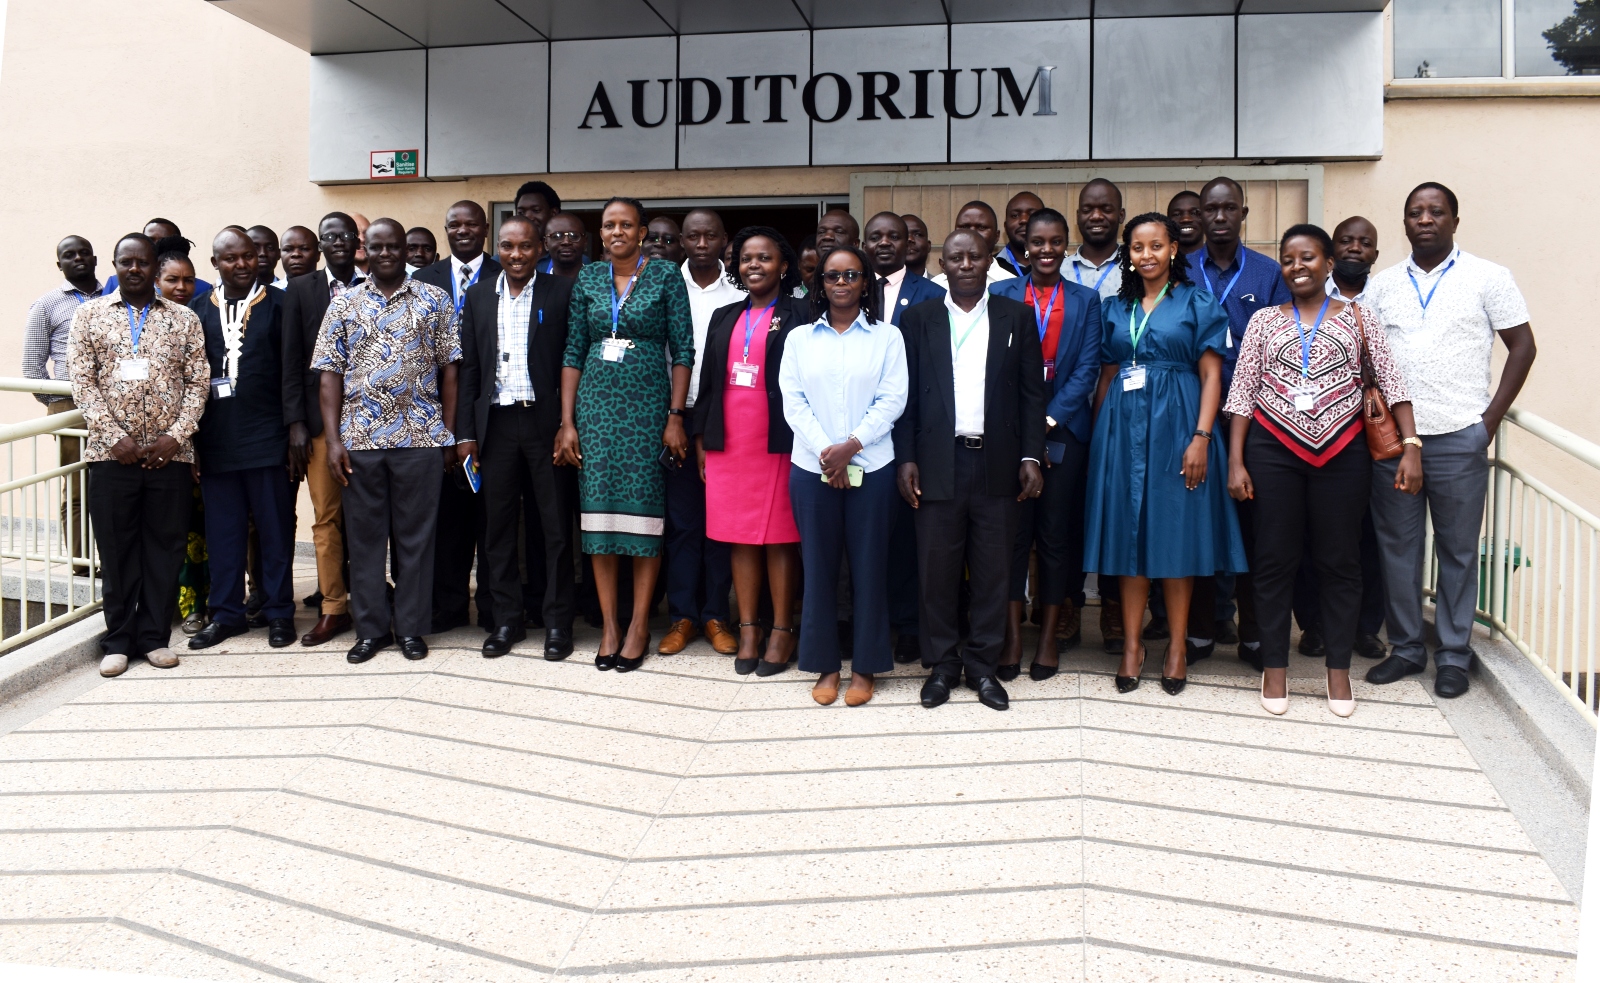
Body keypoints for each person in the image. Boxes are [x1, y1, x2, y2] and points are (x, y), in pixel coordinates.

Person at [1225, 224, 1419, 717]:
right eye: (1288, 259)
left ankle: (1338, 672)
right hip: (1273, 452)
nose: (1297, 266)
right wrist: (1236, 461)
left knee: (1340, 562)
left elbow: (1392, 382)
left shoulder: (1359, 317)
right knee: (1274, 560)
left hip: (1343, 454)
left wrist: (1411, 445)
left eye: (1308, 257)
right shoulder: (1265, 321)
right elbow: (1243, 395)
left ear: (1328, 263)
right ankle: (1274, 669)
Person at [1363, 182, 1537, 699]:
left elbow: (1523, 347)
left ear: (1455, 222)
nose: (1425, 219)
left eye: (1436, 211)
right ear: (1405, 223)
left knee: (1458, 551)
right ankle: (1408, 649)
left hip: (1461, 436)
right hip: (1396, 442)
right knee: (1398, 549)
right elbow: (1369, 357)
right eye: (1415, 212)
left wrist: (1489, 421)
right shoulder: (1383, 285)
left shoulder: (1489, 277)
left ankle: (1454, 657)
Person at [1084, 213, 1247, 695]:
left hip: (1179, 425)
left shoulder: (1197, 302)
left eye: (1156, 245)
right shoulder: (1113, 308)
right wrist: (1100, 442)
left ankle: (1176, 646)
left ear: (1173, 249)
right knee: (1129, 541)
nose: (1147, 255)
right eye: (1137, 247)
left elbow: (1213, 375)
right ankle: (1133, 647)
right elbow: (1109, 376)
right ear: (1127, 255)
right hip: (1121, 429)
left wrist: (1202, 437)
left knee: (1175, 538)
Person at [898, 230, 1044, 712]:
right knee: (935, 570)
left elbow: (1030, 394)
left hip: (998, 461)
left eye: (974, 256)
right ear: (944, 263)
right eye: (956, 257)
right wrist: (906, 459)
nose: (965, 264)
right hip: (938, 460)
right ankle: (941, 665)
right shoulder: (918, 319)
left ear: (988, 262)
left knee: (993, 570)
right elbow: (905, 397)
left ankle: (982, 667)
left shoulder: (1016, 317)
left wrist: (1030, 456)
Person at [556, 197, 694, 673]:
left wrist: (675, 415)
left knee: (644, 519)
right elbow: (573, 350)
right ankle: (610, 626)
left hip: (647, 410)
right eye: (609, 224)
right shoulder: (590, 279)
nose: (617, 232)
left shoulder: (664, 276)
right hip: (595, 413)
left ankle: (638, 624)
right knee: (598, 522)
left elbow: (683, 350)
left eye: (627, 224)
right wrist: (567, 422)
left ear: (641, 232)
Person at [313, 218, 460, 664]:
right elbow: (328, 377)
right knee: (365, 540)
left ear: (405, 250)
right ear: (365, 251)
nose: (386, 254)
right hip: (361, 440)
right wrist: (335, 441)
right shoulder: (343, 305)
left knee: (417, 539)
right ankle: (371, 629)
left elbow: (450, 368)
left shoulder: (434, 299)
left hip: (420, 437)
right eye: (376, 247)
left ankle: (412, 629)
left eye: (393, 246)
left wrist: (448, 433)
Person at [69, 233, 208, 677]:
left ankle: (154, 638)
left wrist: (175, 436)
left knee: (165, 549)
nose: (134, 269)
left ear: (154, 266)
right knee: (117, 549)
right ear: (114, 265)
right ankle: (118, 641)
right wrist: (113, 436)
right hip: (113, 457)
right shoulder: (88, 316)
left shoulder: (183, 319)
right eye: (125, 262)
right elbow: (82, 382)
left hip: (170, 456)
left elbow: (199, 382)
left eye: (142, 262)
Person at [782, 245, 906, 706]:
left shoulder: (887, 337)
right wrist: (826, 454)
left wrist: (851, 446)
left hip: (872, 467)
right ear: (820, 284)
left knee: (869, 568)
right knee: (818, 569)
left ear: (864, 283)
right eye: (832, 275)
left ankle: (866, 667)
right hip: (810, 469)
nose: (841, 282)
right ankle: (826, 666)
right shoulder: (798, 340)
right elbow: (793, 402)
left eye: (851, 275)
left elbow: (893, 400)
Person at [454, 215, 576, 659]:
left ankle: (558, 623)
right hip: (497, 425)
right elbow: (470, 369)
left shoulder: (562, 292)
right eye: (507, 247)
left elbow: (571, 358)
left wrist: (568, 423)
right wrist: (465, 435)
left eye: (525, 247)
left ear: (539, 248)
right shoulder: (478, 296)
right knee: (498, 527)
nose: (517, 255)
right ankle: (506, 621)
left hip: (547, 426)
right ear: (496, 248)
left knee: (556, 527)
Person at [1183, 176, 1292, 668]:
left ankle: (1254, 636)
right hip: (1193, 419)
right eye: (1211, 209)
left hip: (1257, 419)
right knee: (1199, 524)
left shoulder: (1269, 274)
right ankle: (1202, 630)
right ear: (1199, 216)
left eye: (1230, 208)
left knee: (1257, 530)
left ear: (1243, 214)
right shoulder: (1179, 270)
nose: (1220, 216)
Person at [990, 208, 1103, 679]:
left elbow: (1087, 370)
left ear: (1066, 243)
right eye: (1038, 241)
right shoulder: (1001, 294)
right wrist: (1025, 426)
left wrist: (1049, 419)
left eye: (1056, 241)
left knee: (1056, 537)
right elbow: (993, 366)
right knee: (1013, 539)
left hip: (1064, 434)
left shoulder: (1085, 299)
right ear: (1024, 244)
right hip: (1010, 436)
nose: (1046, 250)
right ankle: (1014, 637)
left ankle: (1051, 636)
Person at [694, 227, 809, 675]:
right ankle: (748, 629)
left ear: (783, 264)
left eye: (764, 258)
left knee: (780, 536)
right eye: (746, 259)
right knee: (739, 537)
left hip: (780, 440)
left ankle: (782, 629)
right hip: (730, 442)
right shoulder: (724, 315)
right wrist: (703, 440)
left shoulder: (801, 313)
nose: (754, 265)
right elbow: (708, 383)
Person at [184, 229, 297, 650]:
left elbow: (295, 373)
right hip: (216, 441)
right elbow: (190, 380)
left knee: (275, 531)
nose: (241, 264)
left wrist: (294, 432)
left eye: (248, 256)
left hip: (269, 438)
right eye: (230, 258)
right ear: (215, 264)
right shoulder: (196, 311)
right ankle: (227, 614)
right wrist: (192, 442)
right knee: (223, 534)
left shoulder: (281, 305)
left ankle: (279, 612)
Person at [1292, 215, 1388, 661]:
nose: (1355, 249)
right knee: (1312, 538)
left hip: (1364, 434)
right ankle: (1313, 626)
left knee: (1364, 538)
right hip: (1305, 438)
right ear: (1330, 256)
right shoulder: (1304, 294)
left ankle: (1363, 629)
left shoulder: (1386, 298)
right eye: (1346, 241)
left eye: (1364, 243)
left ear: (1374, 252)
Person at [412, 200, 502, 633]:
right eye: (454, 225)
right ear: (445, 231)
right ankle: (447, 607)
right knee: (448, 520)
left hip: (493, 412)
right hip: (438, 413)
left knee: (492, 519)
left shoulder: (507, 273)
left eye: (471, 224)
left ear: (485, 228)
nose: (463, 231)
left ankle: (491, 607)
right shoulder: (423, 278)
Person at [861, 210, 945, 663]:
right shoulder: (847, 287)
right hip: (858, 434)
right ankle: (867, 621)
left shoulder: (932, 294)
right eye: (877, 236)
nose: (886, 243)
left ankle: (911, 625)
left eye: (896, 236)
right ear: (865, 242)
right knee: (866, 534)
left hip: (914, 429)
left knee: (911, 535)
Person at [657, 209, 740, 656]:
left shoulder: (741, 290)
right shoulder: (663, 284)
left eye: (711, 235)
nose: (702, 243)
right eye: (694, 236)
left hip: (728, 420)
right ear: (682, 241)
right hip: (676, 418)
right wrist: (674, 417)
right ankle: (682, 616)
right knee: (683, 522)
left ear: (724, 240)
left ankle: (716, 615)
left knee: (721, 524)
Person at [281, 212, 366, 647]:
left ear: (357, 243)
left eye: (345, 235)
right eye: (328, 236)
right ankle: (334, 607)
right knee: (326, 519)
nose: (337, 242)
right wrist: (296, 423)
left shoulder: (376, 286)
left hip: (373, 422)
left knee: (371, 517)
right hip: (318, 426)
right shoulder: (301, 290)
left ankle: (370, 600)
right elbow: (291, 361)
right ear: (320, 245)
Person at [24, 235, 101, 569]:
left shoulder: (114, 296)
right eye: (70, 255)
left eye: (84, 253)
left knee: (111, 486)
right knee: (76, 488)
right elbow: (32, 367)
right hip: (70, 408)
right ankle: (81, 564)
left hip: (115, 406)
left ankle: (112, 560)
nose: (78, 258)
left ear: (95, 259)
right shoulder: (47, 305)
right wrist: (58, 404)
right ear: (60, 265)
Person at [150, 249, 208, 635]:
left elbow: (202, 385)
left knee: (199, 533)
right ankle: (166, 603)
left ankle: (197, 606)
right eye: (173, 280)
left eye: (188, 280)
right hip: (150, 448)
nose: (181, 287)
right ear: (157, 281)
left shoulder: (203, 313)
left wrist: (188, 440)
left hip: (195, 443)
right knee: (165, 530)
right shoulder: (139, 319)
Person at [103, 219, 213, 300]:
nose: (155, 246)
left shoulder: (203, 288)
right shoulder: (115, 282)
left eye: (163, 240)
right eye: (150, 240)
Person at [929, 202, 1016, 289]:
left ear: (996, 236)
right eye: (965, 227)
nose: (972, 233)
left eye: (981, 228)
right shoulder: (935, 286)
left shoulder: (1012, 286)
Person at [997, 191, 1044, 277]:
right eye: (1015, 215)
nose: (1024, 220)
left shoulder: (1063, 265)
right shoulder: (990, 265)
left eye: (1032, 214)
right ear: (1005, 226)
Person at [543, 213, 588, 278]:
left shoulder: (601, 284)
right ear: (546, 243)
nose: (566, 242)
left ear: (585, 242)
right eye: (557, 236)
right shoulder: (534, 285)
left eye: (574, 236)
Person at [1167, 191, 1206, 255]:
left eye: (1193, 213)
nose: (1186, 219)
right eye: (1177, 214)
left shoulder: (1220, 260)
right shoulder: (1160, 261)